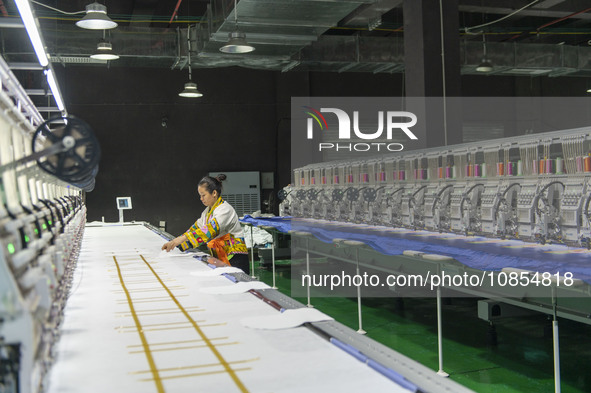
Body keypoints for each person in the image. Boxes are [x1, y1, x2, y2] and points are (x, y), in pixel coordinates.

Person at [162, 174, 250, 274]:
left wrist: (181, 240)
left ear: (214, 193)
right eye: (200, 196)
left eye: (203, 195)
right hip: (220, 256)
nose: (201, 198)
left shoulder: (225, 209)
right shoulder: (206, 212)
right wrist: (176, 244)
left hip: (235, 257)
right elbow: (194, 229)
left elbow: (209, 230)